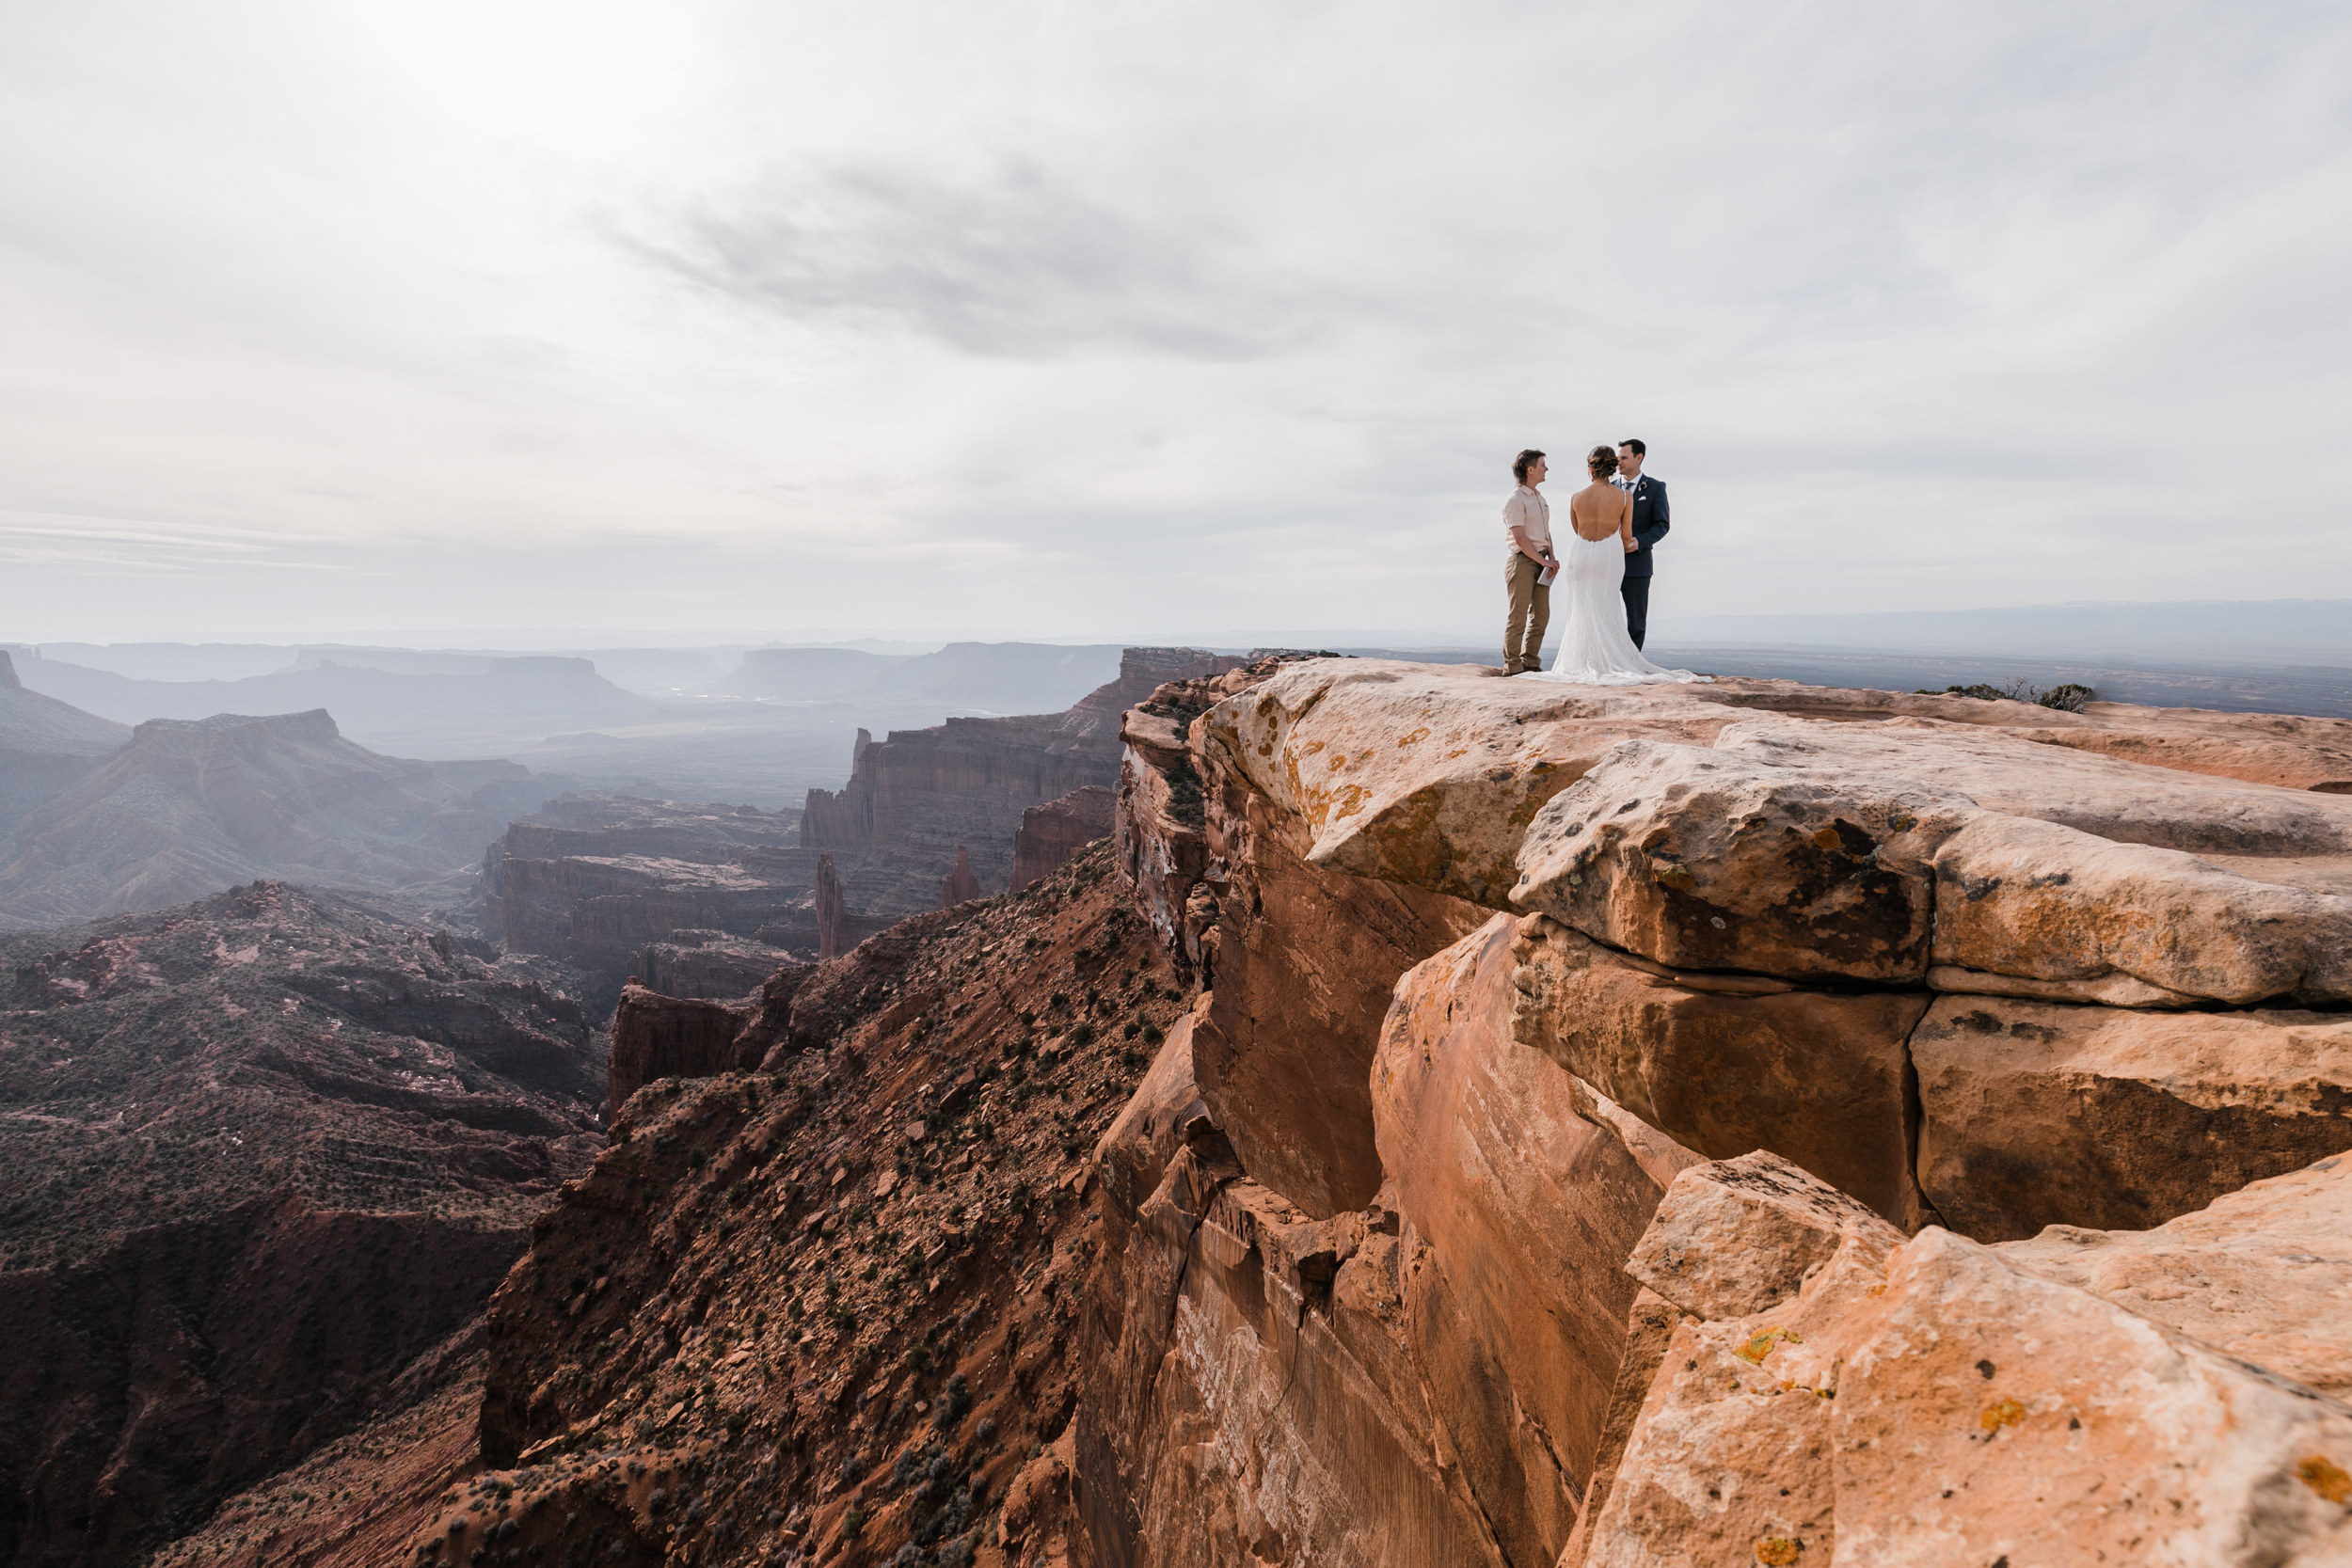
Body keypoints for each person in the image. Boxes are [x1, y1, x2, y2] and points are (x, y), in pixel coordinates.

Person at [1518, 446, 1707, 687]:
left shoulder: (1576, 497)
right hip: (1609, 555)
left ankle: (1581, 660)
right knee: (1607, 608)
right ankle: (1607, 660)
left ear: (1590, 468)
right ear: (1611, 467)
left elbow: (1577, 529)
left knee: (1582, 608)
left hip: (1582, 554)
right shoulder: (1624, 497)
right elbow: (1626, 535)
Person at [1501, 449, 1555, 675]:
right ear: (1529, 469)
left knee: (1541, 616)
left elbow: (1546, 533)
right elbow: (1520, 538)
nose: (1546, 469)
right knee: (1518, 616)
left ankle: (1530, 663)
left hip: (1542, 561)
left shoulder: (1540, 498)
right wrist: (1543, 561)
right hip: (1522, 562)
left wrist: (1551, 559)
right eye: (1543, 465)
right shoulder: (1514, 500)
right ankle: (1511, 667)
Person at [1613, 437, 1669, 648]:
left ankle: (1633, 663)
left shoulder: (1655, 488)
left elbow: (1662, 524)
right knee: (1607, 618)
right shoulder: (1610, 489)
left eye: (1624, 458)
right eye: (1618, 458)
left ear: (1639, 458)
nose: (1619, 463)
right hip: (1609, 563)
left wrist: (1639, 541)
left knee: (1636, 621)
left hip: (1638, 564)